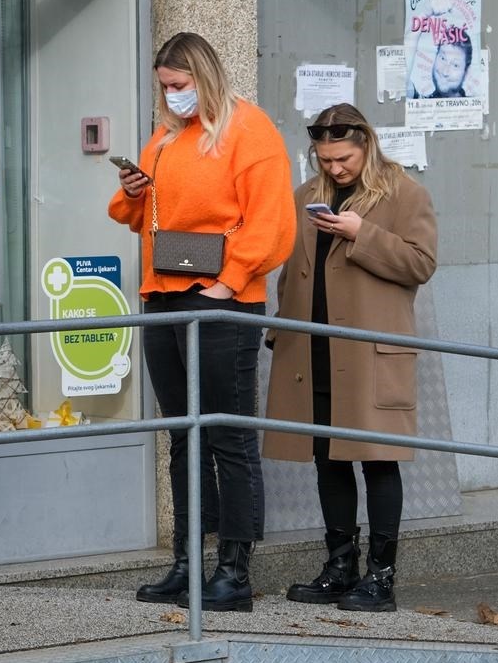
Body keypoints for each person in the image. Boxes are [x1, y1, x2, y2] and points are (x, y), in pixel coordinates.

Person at [108, 32, 295, 612]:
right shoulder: (166, 137)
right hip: (162, 294)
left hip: (218, 301)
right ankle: (188, 561)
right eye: (165, 87)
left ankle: (233, 569)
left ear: (205, 78)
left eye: (180, 86)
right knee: (184, 434)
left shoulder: (249, 129)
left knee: (228, 435)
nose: (172, 96)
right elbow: (138, 217)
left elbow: (273, 223)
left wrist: (226, 283)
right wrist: (132, 189)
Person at [265, 104, 437, 612]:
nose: (334, 168)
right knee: (327, 460)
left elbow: (421, 263)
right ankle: (340, 567)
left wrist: (362, 232)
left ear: (367, 144)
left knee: (378, 461)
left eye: (343, 158)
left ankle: (380, 577)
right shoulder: (305, 196)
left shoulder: (405, 193)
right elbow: (291, 270)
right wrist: (281, 330)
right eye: (324, 159)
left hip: (369, 353)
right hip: (313, 349)